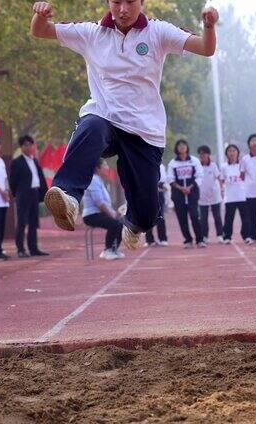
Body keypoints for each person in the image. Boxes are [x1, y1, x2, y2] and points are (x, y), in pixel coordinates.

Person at [30, 1, 219, 251]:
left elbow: (206, 48)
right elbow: (40, 31)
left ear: (141, 2)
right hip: (105, 118)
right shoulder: (91, 34)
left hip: (144, 132)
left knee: (147, 215)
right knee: (91, 125)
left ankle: (134, 221)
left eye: (130, 2)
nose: (123, 9)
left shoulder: (158, 32)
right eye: (116, 2)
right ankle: (68, 197)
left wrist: (208, 26)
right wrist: (40, 15)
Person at [9, 135, 49, 257]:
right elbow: (12, 181)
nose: (28, 147)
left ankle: (34, 248)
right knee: (22, 222)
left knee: (33, 222)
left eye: (30, 144)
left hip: (34, 194)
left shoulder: (35, 161)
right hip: (23, 195)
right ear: (21, 147)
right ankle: (20, 249)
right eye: (25, 145)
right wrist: (17, 194)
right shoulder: (17, 162)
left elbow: (40, 178)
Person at [83, 159, 124, 260]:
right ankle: (107, 250)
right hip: (91, 215)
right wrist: (111, 214)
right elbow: (99, 203)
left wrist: (115, 213)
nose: (107, 168)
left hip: (99, 213)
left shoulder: (99, 180)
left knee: (121, 222)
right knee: (114, 224)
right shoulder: (93, 180)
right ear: (97, 168)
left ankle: (114, 249)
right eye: (105, 166)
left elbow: (105, 203)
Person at [167, 140, 204, 248]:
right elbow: (170, 179)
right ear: (176, 149)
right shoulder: (173, 163)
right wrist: (181, 188)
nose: (182, 147)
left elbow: (199, 175)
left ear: (187, 147)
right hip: (178, 195)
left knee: (194, 216)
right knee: (182, 219)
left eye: (184, 145)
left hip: (192, 194)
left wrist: (190, 187)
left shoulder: (194, 161)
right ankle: (188, 240)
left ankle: (200, 240)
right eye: (179, 146)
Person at [220, 144, 247, 244]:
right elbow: (221, 180)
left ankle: (246, 236)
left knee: (245, 218)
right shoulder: (224, 166)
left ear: (237, 152)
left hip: (242, 195)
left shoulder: (243, 164)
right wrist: (222, 191)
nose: (232, 153)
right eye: (229, 151)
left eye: (234, 151)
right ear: (227, 153)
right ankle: (227, 236)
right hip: (230, 196)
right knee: (229, 218)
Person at [197, 145, 223, 243]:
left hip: (214, 195)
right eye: (200, 154)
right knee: (203, 218)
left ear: (208, 155)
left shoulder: (213, 165)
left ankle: (220, 235)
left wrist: (222, 189)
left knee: (217, 216)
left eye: (204, 154)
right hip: (202, 196)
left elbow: (219, 177)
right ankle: (204, 236)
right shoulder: (198, 167)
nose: (202, 156)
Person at [145, 163, 168, 247]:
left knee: (159, 216)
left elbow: (162, 180)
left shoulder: (160, 165)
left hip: (157, 194)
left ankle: (163, 238)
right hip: (145, 193)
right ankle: (149, 240)